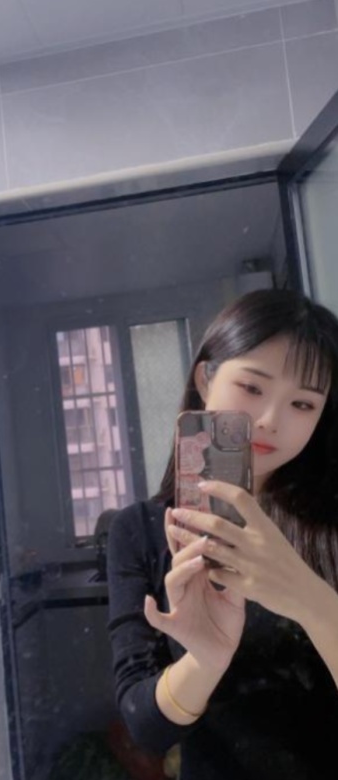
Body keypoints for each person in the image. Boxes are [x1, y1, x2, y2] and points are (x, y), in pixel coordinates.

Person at [107, 289, 338, 780]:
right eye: (252, 387)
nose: (270, 419)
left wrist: (309, 599)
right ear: (205, 379)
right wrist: (205, 661)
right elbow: (145, 728)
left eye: (303, 403)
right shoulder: (142, 531)